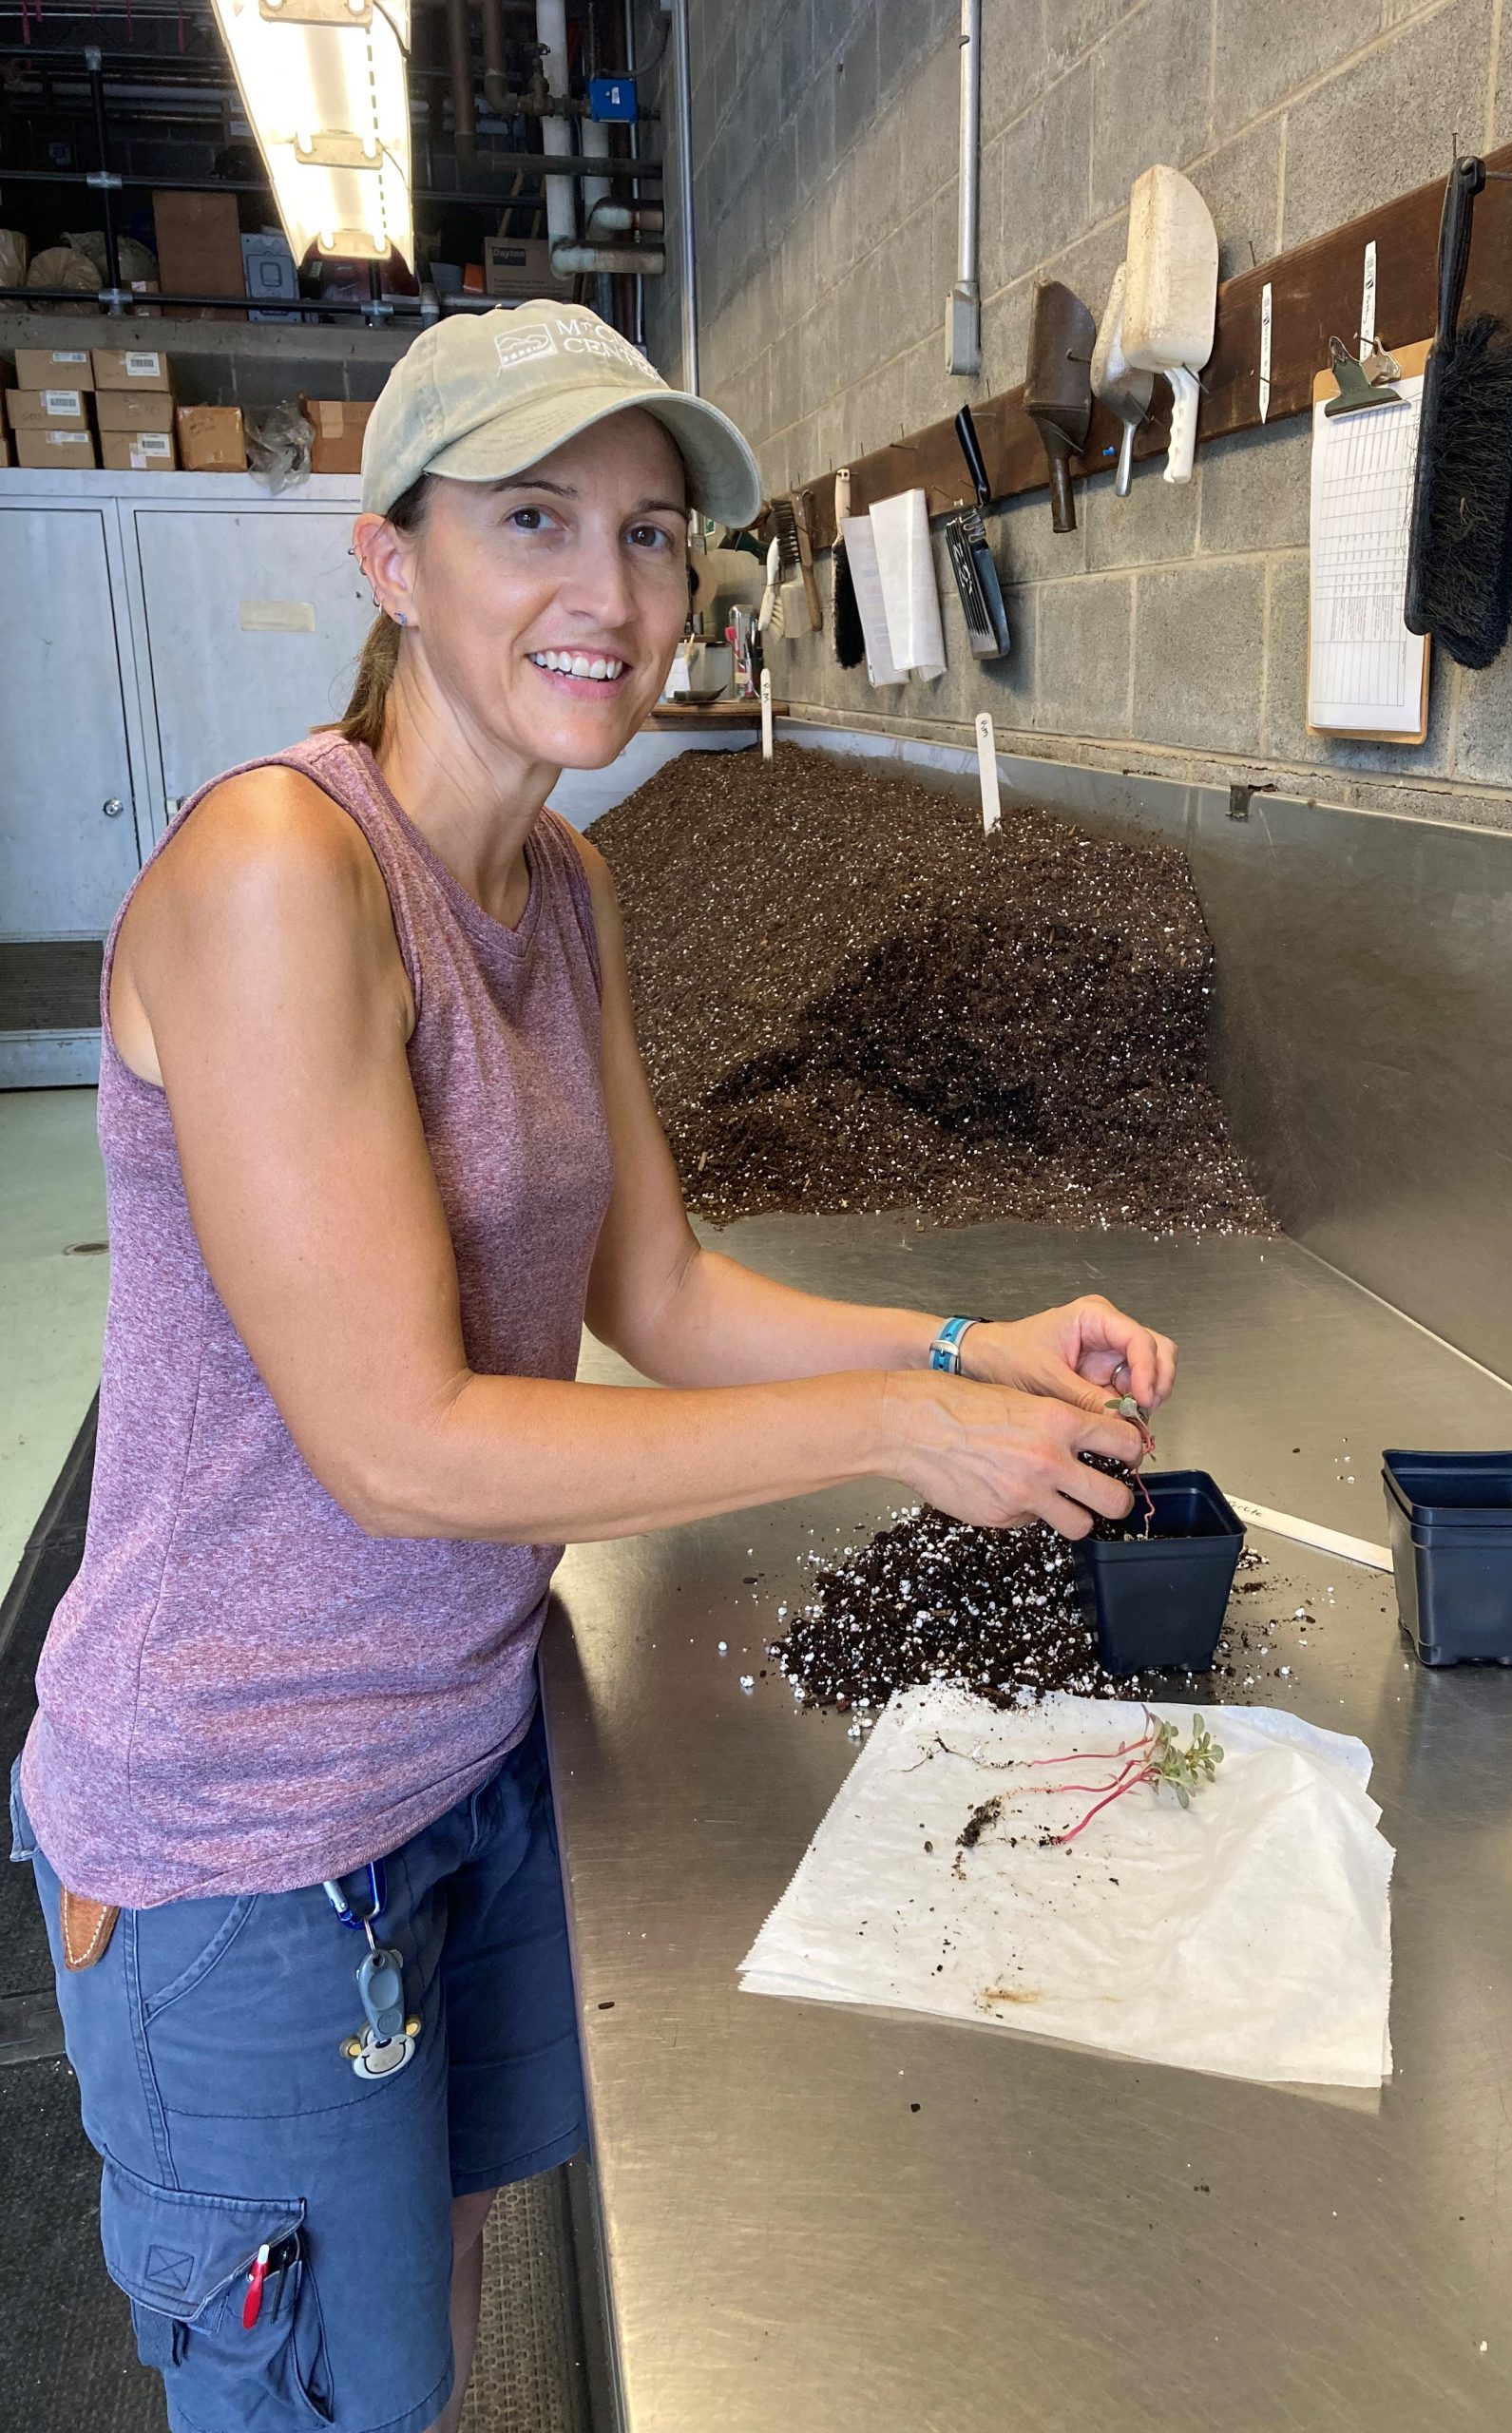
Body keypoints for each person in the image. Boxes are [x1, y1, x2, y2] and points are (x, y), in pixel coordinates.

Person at [10, 298, 1176, 2433]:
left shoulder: (562, 885)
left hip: (460, 1754)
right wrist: (900, 1431)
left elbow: (662, 1283)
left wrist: (959, 1338)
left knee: (421, 2339)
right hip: (253, 1828)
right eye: (533, 517)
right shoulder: (284, 874)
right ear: (390, 556)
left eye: (652, 536)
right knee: (316, 2398)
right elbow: (397, 1442)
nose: (611, 591)